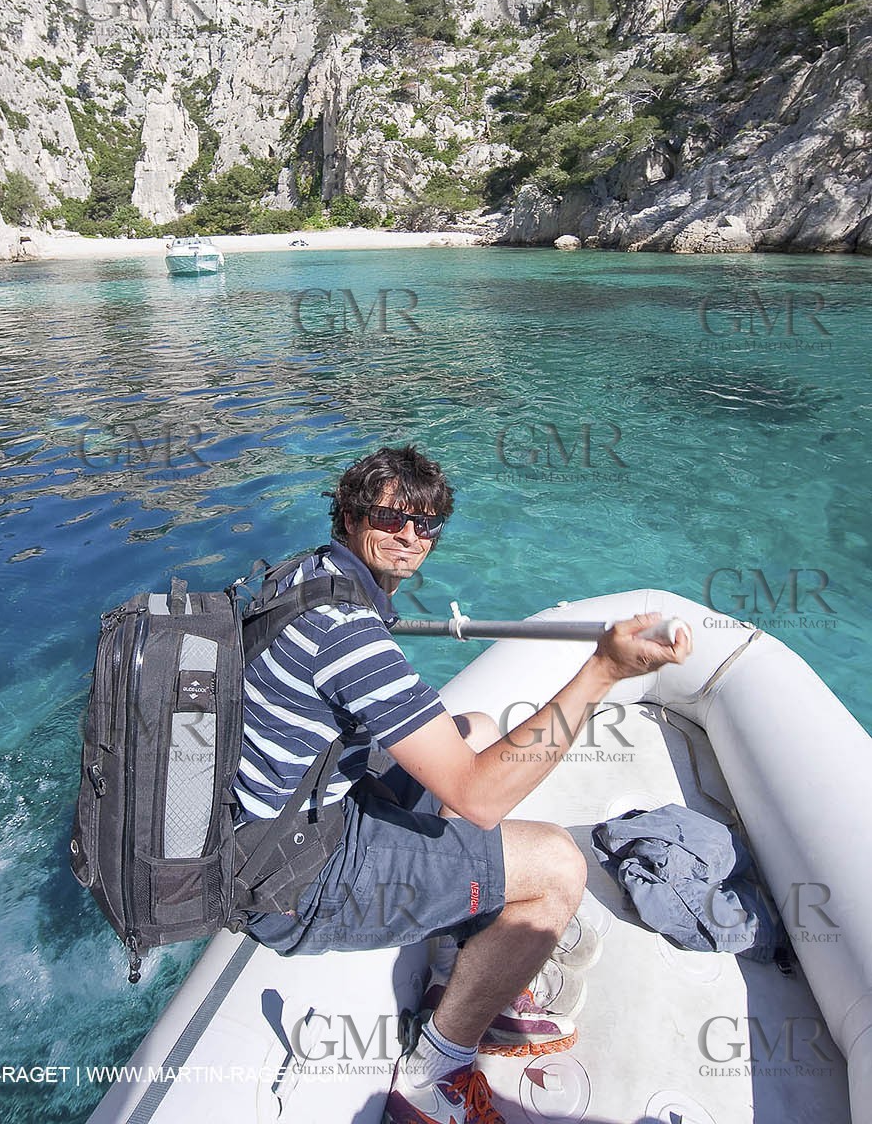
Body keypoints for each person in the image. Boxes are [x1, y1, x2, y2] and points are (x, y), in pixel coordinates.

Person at [232, 444, 691, 1124]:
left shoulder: (305, 575)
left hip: (280, 824)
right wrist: (602, 672)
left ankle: (459, 945)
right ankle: (435, 1072)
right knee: (558, 869)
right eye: (393, 518)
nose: (412, 538)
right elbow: (481, 796)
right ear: (353, 514)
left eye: (428, 525)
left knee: (470, 725)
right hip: (294, 882)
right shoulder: (347, 632)